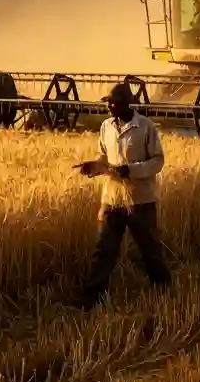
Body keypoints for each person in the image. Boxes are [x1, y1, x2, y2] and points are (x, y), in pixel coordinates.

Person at [73, 83, 171, 309]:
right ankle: (91, 296)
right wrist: (95, 166)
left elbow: (158, 160)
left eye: (113, 102)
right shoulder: (106, 126)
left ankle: (163, 288)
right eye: (107, 101)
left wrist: (132, 170)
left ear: (128, 103)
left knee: (149, 250)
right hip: (112, 198)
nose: (109, 106)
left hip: (140, 199)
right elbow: (104, 157)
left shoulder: (145, 127)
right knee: (103, 249)